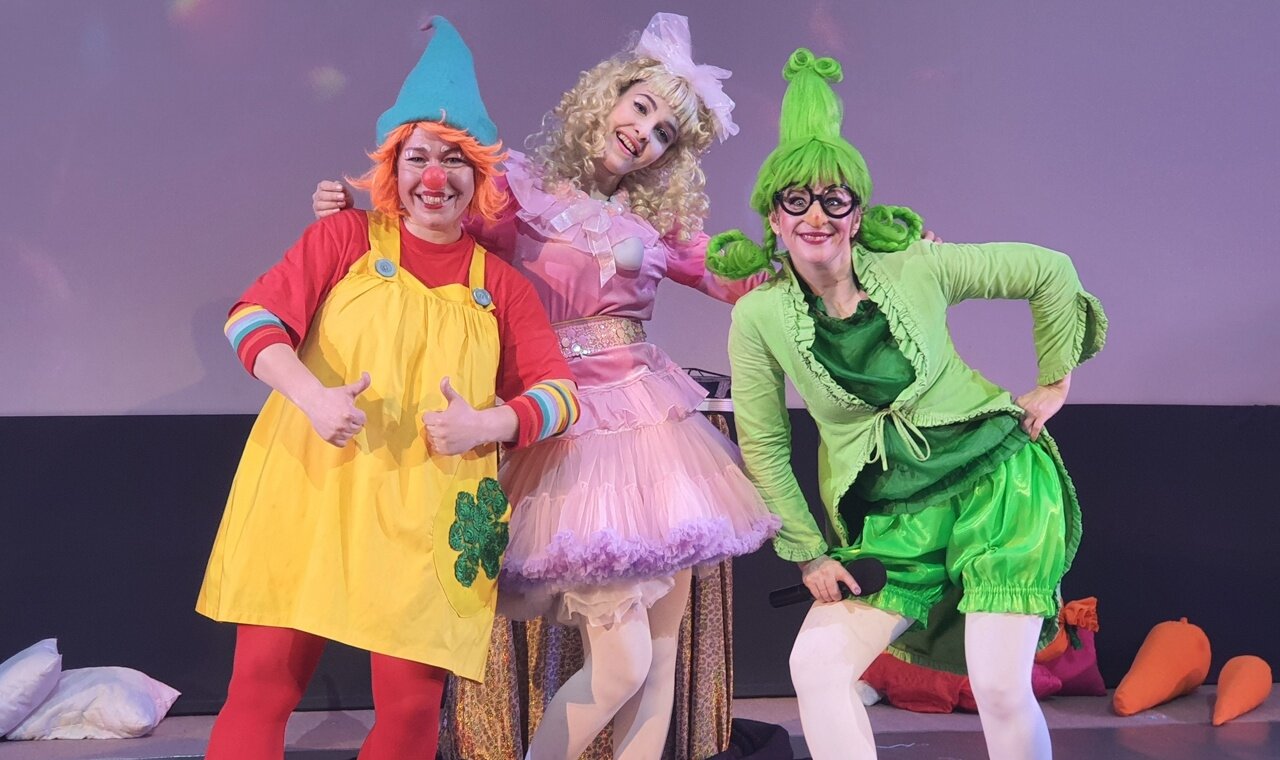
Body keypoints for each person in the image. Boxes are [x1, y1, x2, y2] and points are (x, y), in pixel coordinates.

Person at [315, 13, 779, 760]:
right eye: (640, 108)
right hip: (570, 429)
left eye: (664, 132)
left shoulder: (660, 226)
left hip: (655, 431)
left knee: (658, 663)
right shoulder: (518, 192)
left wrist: (855, 257)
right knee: (621, 663)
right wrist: (357, 210)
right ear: (608, 98)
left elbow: (744, 281)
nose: (644, 133)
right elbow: (434, 216)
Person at [707, 48, 1107, 760]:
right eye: (796, 200)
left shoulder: (917, 265)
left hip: (998, 489)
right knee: (815, 666)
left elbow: (1049, 270)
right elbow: (764, 443)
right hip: (895, 521)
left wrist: (1056, 379)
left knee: (1000, 686)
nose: (816, 216)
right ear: (773, 216)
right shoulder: (758, 316)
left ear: (857, 214)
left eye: (835, 200)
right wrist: (808, 553)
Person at [196, 18, 579, 760]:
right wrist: (312, 396)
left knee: (409, 714)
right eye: (418, 156)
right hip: (311, 493)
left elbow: (560, 395)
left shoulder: (502, 287)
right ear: (392, 169)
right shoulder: (343, 239)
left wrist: (490, 424)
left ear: (480, 177)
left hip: (428, 519)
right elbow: (252, 321)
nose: (435, 177)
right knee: (263, 690)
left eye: (455, 159)